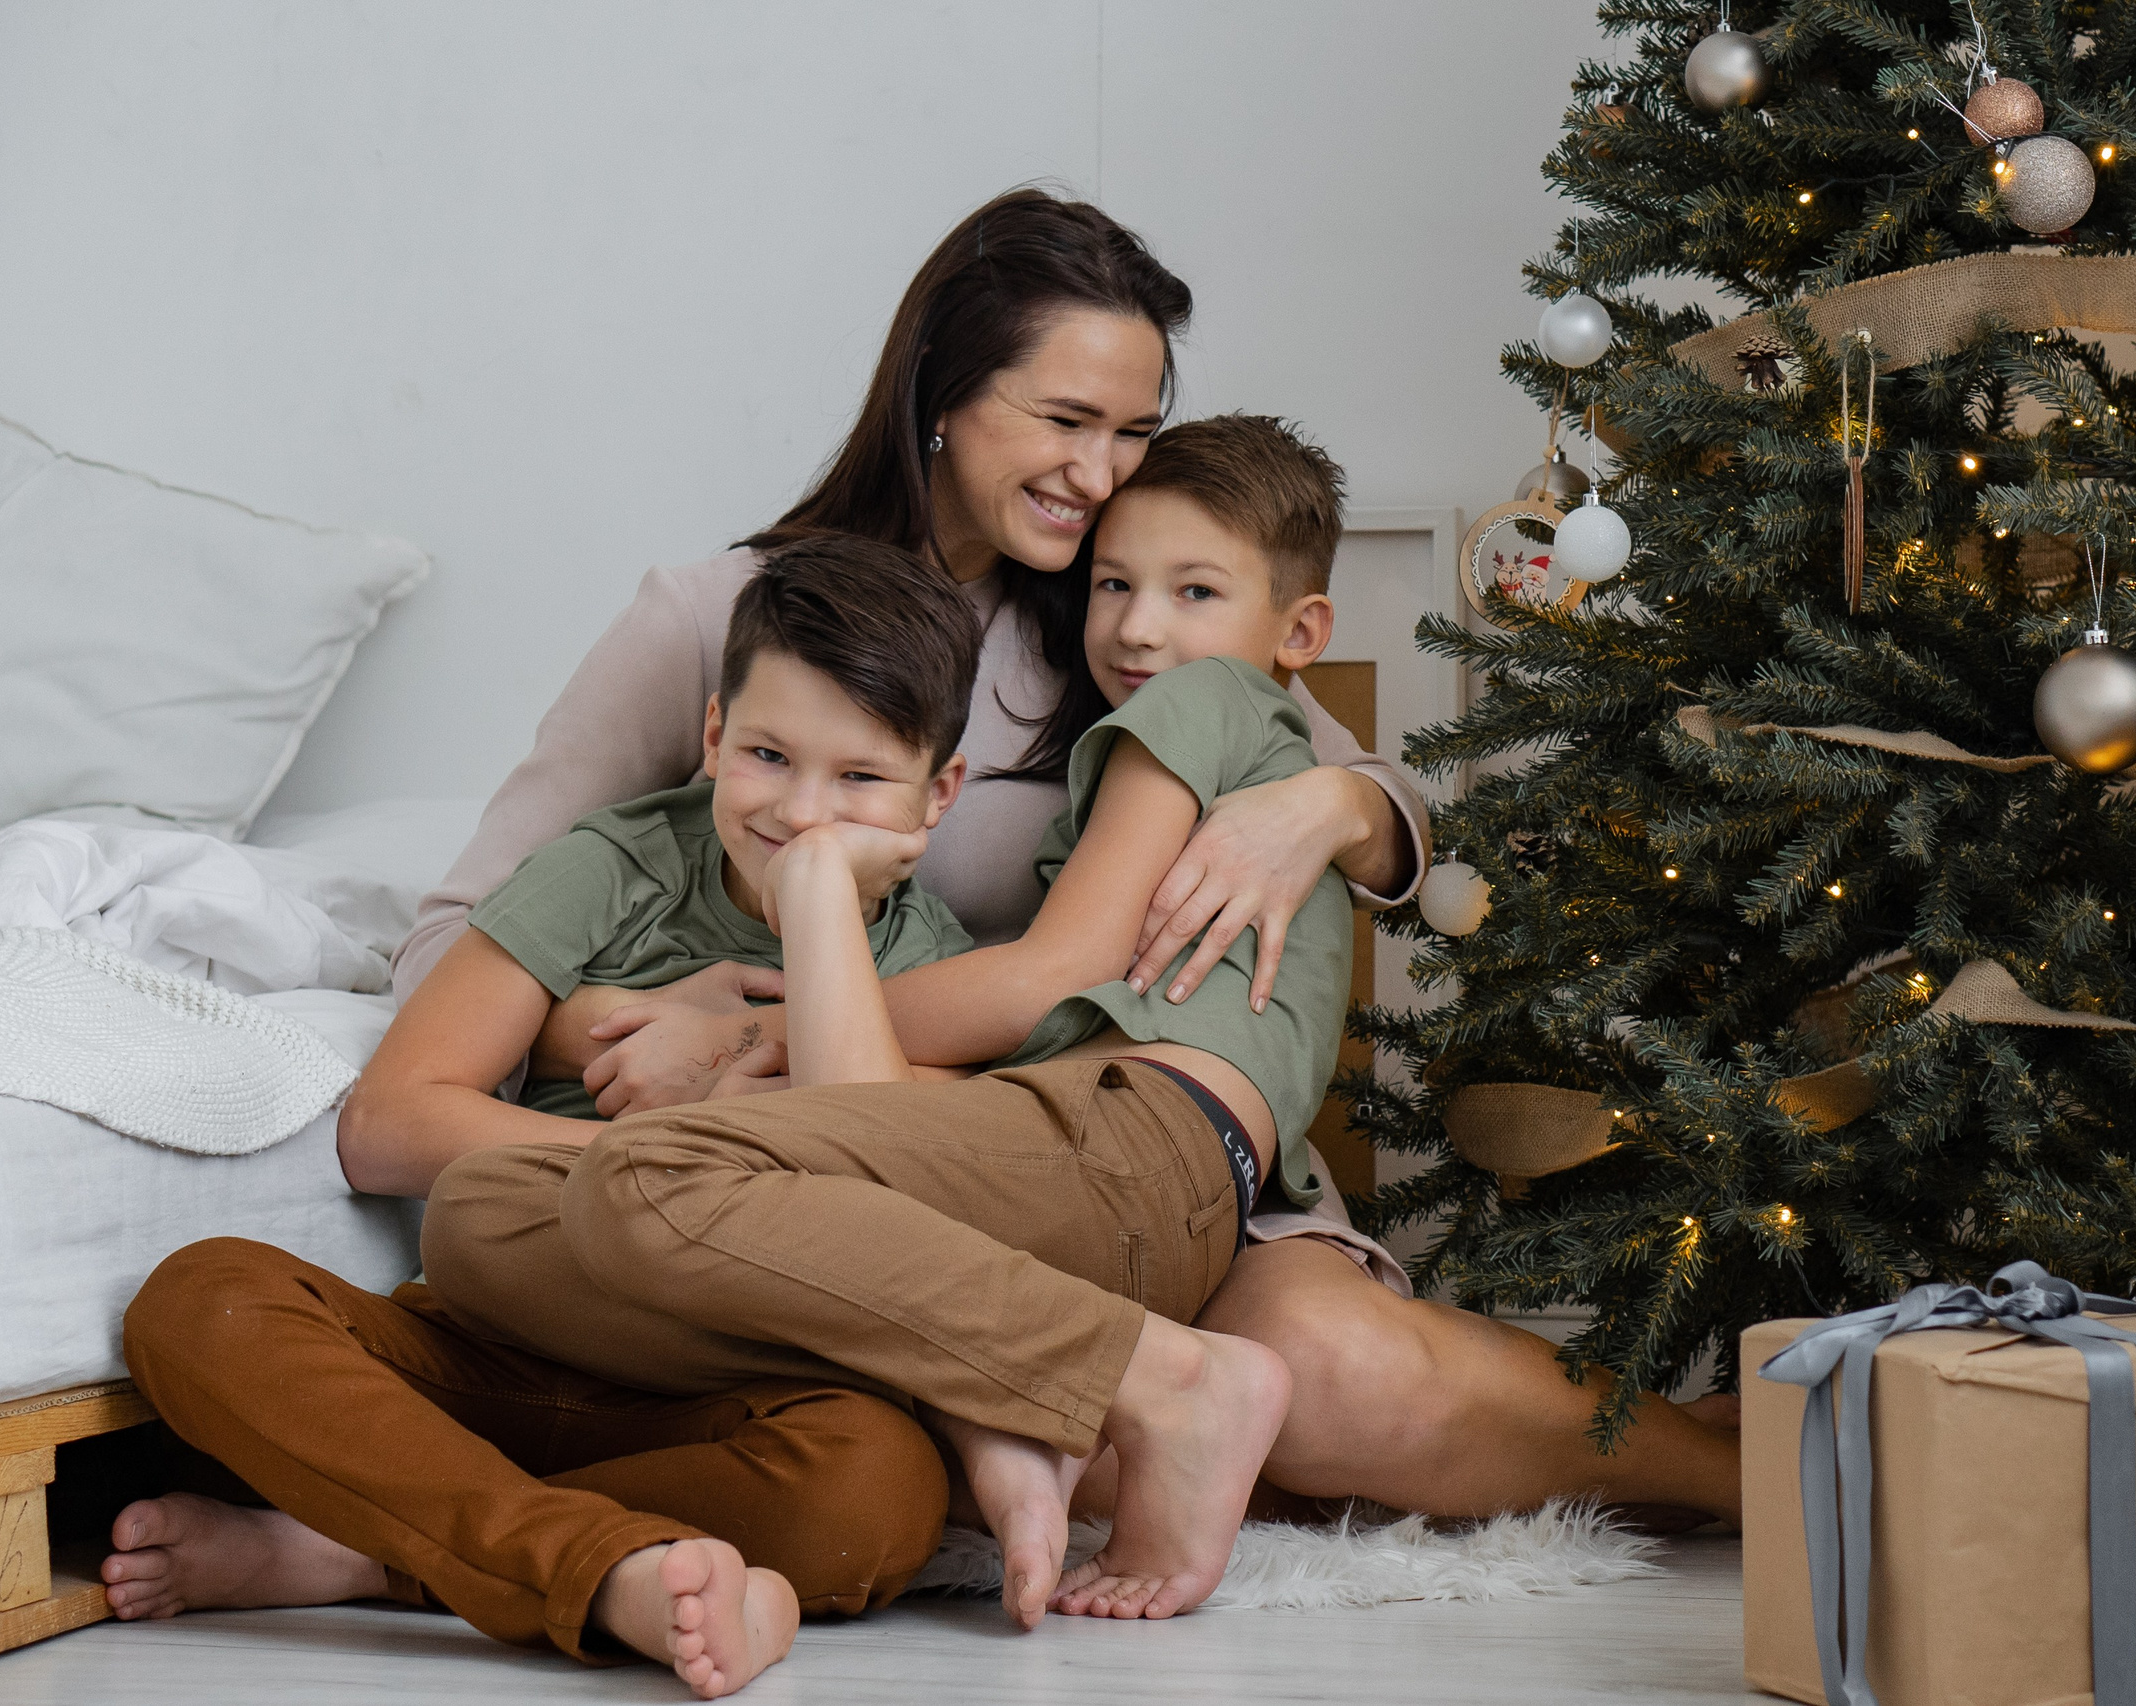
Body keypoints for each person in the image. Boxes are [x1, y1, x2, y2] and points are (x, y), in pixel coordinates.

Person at [397, 189, 1731, 1547]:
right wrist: (681, 1040)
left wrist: (1325, 801)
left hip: (1116, 1153)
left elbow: (1395, 816)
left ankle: (1737, 1469)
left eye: (1135, 430)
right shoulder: (721, 621)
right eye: (1066, 422)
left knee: (1344, 1374)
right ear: (941, 393)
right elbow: (448, 944)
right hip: (836, 1167)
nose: (1104, 475)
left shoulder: (1123, 618)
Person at [418, 414, 1366, 1632]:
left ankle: (1162, 1383)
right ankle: (989, 1398)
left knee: (651, 1176)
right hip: (1072, 1131)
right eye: (1116, 585)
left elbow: (1042, 979)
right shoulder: (689, 713)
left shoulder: (1202, 701)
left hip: (1140, 1131)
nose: (1137, 624)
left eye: (1189, 589)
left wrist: (758, 1019)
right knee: (479, 1216)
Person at [101, 537, 988, 1699]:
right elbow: (391, 1121)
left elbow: (873, 1176)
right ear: (714, 733)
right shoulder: (613, 865)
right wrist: (656, 1165)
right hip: (492, 1339)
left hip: (712, 1391)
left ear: (941, 793)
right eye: (769, 754)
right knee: (202, 1299)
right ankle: (581, 1556)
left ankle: (381, 1549)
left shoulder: (930, 962)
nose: (802, 816)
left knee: (875, 1489)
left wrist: (820, 906)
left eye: (860, 780)